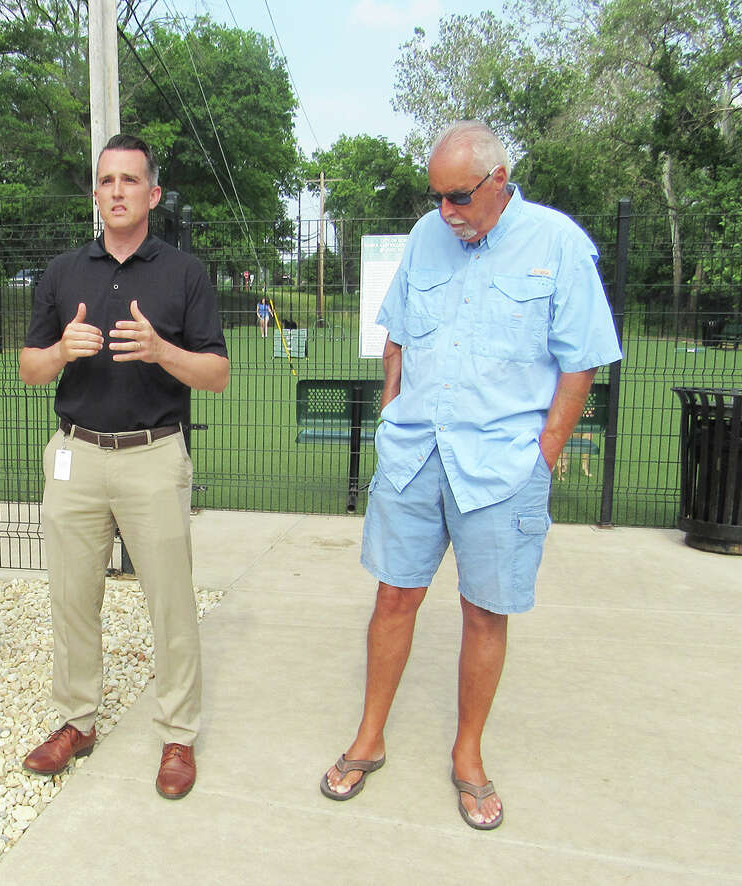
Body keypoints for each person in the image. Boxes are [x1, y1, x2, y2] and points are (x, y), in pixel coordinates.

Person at [319, 121, 622, 829]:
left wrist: (542, 455)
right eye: (436, 197)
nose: (445, 211)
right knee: (394, 596)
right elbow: (395, 331)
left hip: (503, 467)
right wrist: (393, 412)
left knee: (485, 611)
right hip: (417, 454)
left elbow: (581, 364)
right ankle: (370, 736)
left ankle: (468, 756)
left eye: (458, 196)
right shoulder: (430, 235)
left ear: (498, 179)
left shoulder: (558, 245)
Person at [18, 134, 229, 800]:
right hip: (76, 455)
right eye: (106, 180)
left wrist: (163, 350)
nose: (116, 191)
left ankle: (177, 734)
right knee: (73, 600)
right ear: (95, 192)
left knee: (170, 603)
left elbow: (217, 374)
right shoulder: (62, 273)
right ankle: (78, 721)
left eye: (130, 180)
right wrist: (61, 350)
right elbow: (28, 369)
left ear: (153, 194)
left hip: (152, 456)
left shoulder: (184, 274)